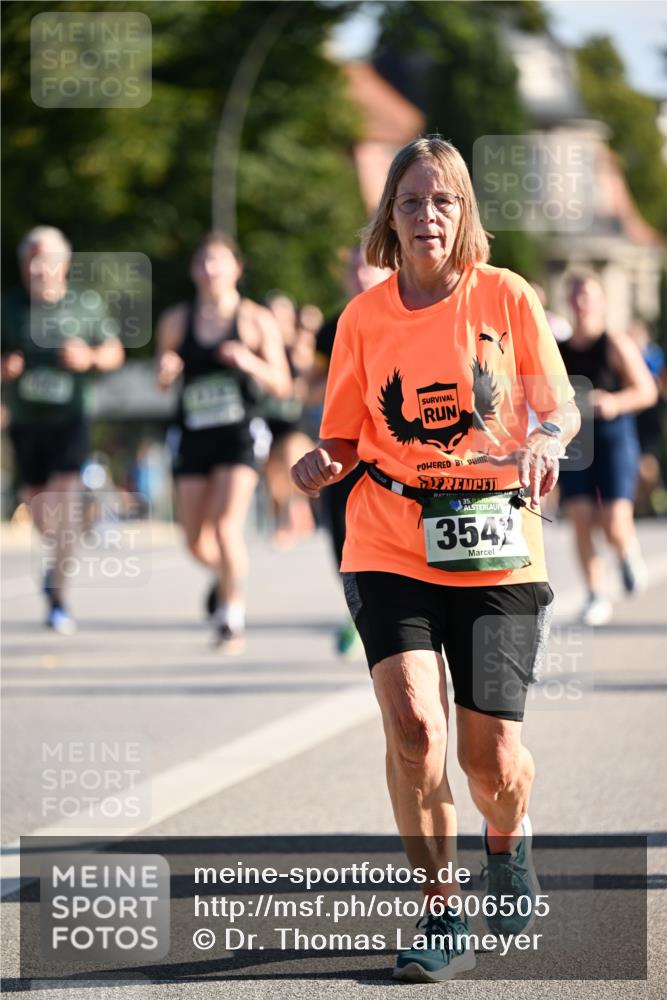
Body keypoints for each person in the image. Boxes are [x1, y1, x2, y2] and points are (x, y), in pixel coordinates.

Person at [291, 136, 579, 982]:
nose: (426, 216)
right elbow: (341, 436)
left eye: (442, 200)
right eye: (410, 201)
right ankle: (439, 908)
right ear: (389, 216)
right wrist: (318, 463)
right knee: (416, 729)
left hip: (496, 545)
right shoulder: (362, 319)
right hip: (389, 538)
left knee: (489, 760)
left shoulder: (507, 296)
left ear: (464, 214)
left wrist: (544, 442)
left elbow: (555, 409)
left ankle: (508, 840)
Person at [156, 232, 292, 651]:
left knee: (225, 525)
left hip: (239, 434)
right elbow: (162, 384)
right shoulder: (177, 321)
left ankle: (231, 617)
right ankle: (225, 575)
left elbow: (283, 385)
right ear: (195, 270)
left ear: (236, 268)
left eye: (218, 261)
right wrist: (166, 370)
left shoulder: (255, 320)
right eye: (203, 261)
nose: (210, 269)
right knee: (195, 539)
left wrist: (248, 361)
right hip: (194, 434)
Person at [1, 226, 124, 634]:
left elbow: (113, 352)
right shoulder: (9, 308)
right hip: (25, 424)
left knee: (64, 500)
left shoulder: (85, 306)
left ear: (64, 265)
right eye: (31, 259)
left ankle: (58, 596)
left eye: (46, 259)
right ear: (23, 266)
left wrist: (88, 356)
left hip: (71, 421)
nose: (39, 267)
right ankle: (65, 543)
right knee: (39, 509)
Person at [557, 274, 658, 626]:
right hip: (576, 441)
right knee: (581, 517)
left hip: (614, 437)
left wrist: (613, 402)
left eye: (588, 297)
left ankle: (626, 550)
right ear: (569, 304)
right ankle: (596, 593)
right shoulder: (559, 349)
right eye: (576, 297)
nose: (582, 304)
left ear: (601, 303)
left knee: (615, 521)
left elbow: (647, 391)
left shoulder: (614, 344)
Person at [309, 247, 391, 656]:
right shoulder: (330, 329)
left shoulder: (405, 318)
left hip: (393, 453)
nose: (361, 273)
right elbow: (307, 385)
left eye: (369, 265)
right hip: (344, 447)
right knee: (343, 542)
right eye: (354, 267)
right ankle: (356, 611)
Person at [262, 292, 317, 549]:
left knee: (290, 458)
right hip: (268, 424)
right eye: (272, 313)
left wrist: (307, 330)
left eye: (282, 314)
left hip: (295, 424)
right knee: (273, 475)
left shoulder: (298, 347)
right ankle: (284, 518)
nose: (277, 319)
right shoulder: (260, 348)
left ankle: (294, 514)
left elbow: (307, 379)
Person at [627, 317, 666, 516]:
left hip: (650, 417)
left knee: (648, 464)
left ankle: (653, 499)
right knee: (636, 465)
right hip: (631, 418)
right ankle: (641, 506)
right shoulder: (625, 358)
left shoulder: (654, 357)